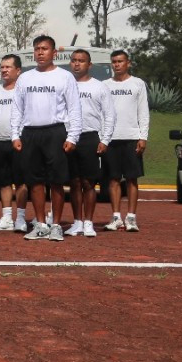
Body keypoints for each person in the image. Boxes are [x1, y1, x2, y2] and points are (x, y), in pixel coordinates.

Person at [11, 36, 82, 242]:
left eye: (44, 49)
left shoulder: (65, 77)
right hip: (31, 133)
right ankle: (41, 224)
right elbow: (17, 108)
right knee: (35, 182)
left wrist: (73, 137)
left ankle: (57, 225)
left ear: (54, 53)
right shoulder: (25, 78)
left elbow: (74, 108)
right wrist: (15, 134)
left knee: (57, 182)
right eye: (37, 49)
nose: (40, 52)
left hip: (55, 132)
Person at [67, 49, 116, 237]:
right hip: (69, 138)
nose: (77, 64)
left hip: (90, 138)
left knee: (88, 183)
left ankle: (88, 222)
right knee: (74, 182)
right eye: (74, 60)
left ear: (89, 65)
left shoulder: (99, 87)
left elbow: (109, 115)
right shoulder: (66, 84)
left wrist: (105, 139)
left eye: (81, 61)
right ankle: (77, 222)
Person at [103, 50, 149, 232]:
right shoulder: (104, 85)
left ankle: (131, 218)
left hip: (131, 137)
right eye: (114, 61)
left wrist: (143, 137)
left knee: (131, 179)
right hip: (110, 138)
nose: (117, 64)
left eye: (120, 61)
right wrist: (102, 137)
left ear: (127, 63)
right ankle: (116, 217)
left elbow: (143, 112)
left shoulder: (138, 84)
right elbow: (102, 113)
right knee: (113, 179)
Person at [0, 55, 22, 231]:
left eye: (8, 67)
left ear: (18, 70)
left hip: (19, 142)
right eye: (2, 67)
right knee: (4, 182)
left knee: (22, 182)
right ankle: (7, 218)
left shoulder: (23, 91)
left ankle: (21, 218)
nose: (5, 70)